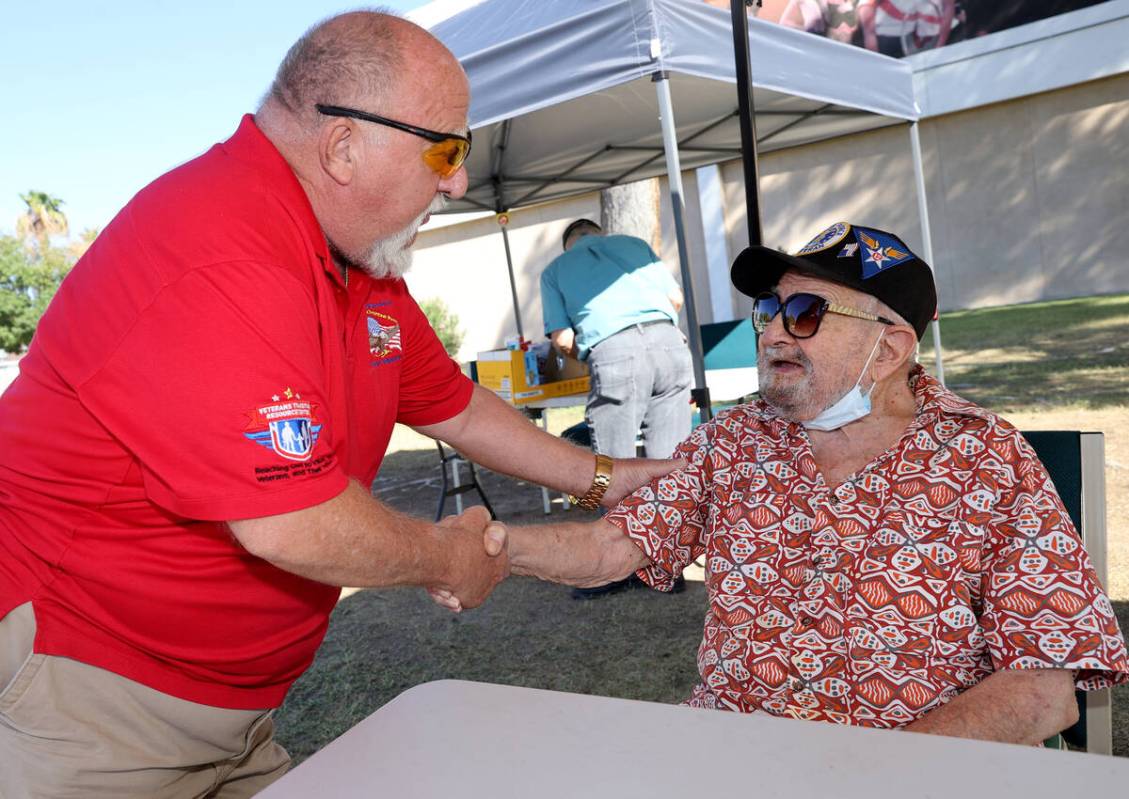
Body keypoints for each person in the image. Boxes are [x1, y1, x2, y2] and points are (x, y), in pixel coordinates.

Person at [0, 12, 675, 797]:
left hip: (233, 710)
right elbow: (292, 520)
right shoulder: (219, 246)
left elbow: (451, 404)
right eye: (447, 148)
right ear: (344, 146)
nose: (457, 179)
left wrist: (601, 475)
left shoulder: (358, 262)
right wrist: (447, 555)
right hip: (90, 696)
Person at [502, 222, 1129, 741]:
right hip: (735, 759)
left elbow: (1045, 688)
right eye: (770, 309)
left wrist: (869, 777)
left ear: (887, 350)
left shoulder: (984, 456)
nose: (773, 329)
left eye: (804, 312)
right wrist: (497, 548)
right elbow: (612, 546)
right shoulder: (733, 438)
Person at [539, 219, 694, 597]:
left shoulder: (555, 270)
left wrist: (593, 353)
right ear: (598, 233)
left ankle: (614, 571)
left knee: (609, 469)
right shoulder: (633, 244)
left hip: (615, 352)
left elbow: (562, 338)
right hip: (671, 344)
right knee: (669, 465)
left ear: (569, 244)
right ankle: (666, 570)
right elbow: (675, 299)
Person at [858, 0, 956, 57]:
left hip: (928, 38)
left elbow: (948, 5)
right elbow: (867, 9)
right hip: (889, 41)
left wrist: (940, 44)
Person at [779, 0, 862, 44]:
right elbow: (784, 25)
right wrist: (808, 30)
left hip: (845, 55)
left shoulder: (855, 3)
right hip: (813, 48)